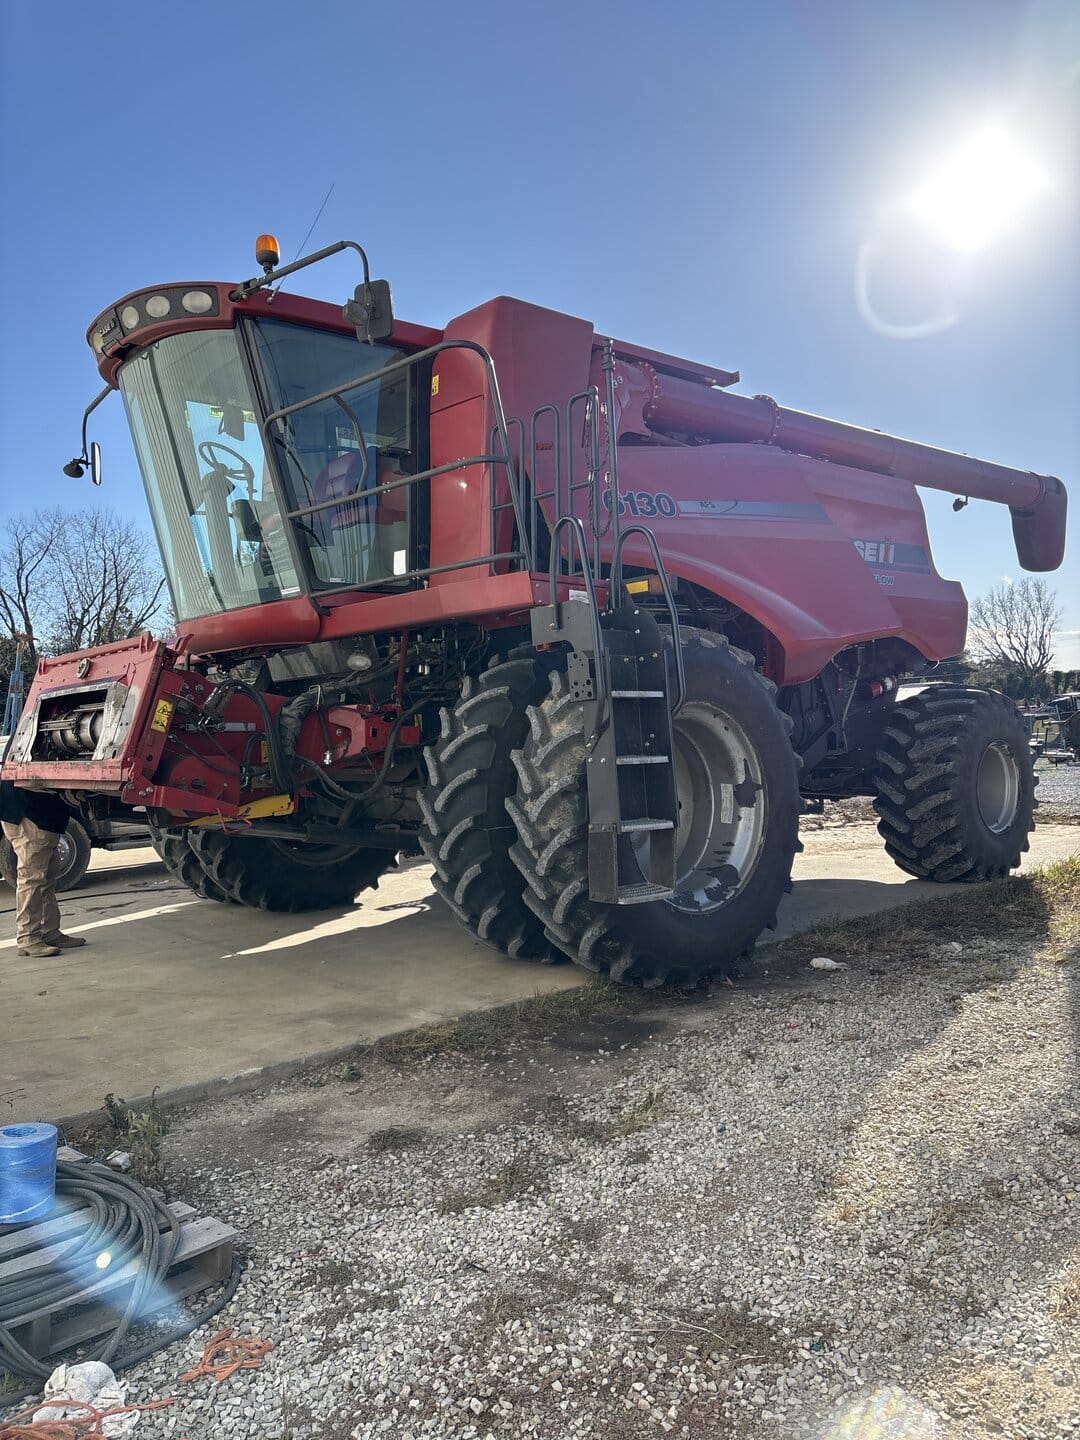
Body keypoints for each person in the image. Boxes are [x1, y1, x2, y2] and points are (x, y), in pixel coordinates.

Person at [0, 781, 87, 957]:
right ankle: (28, 938)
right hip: (29, 814)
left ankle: (50, 932)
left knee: (46, 877)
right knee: (32, 878)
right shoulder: (36, 754)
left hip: (36, 813)